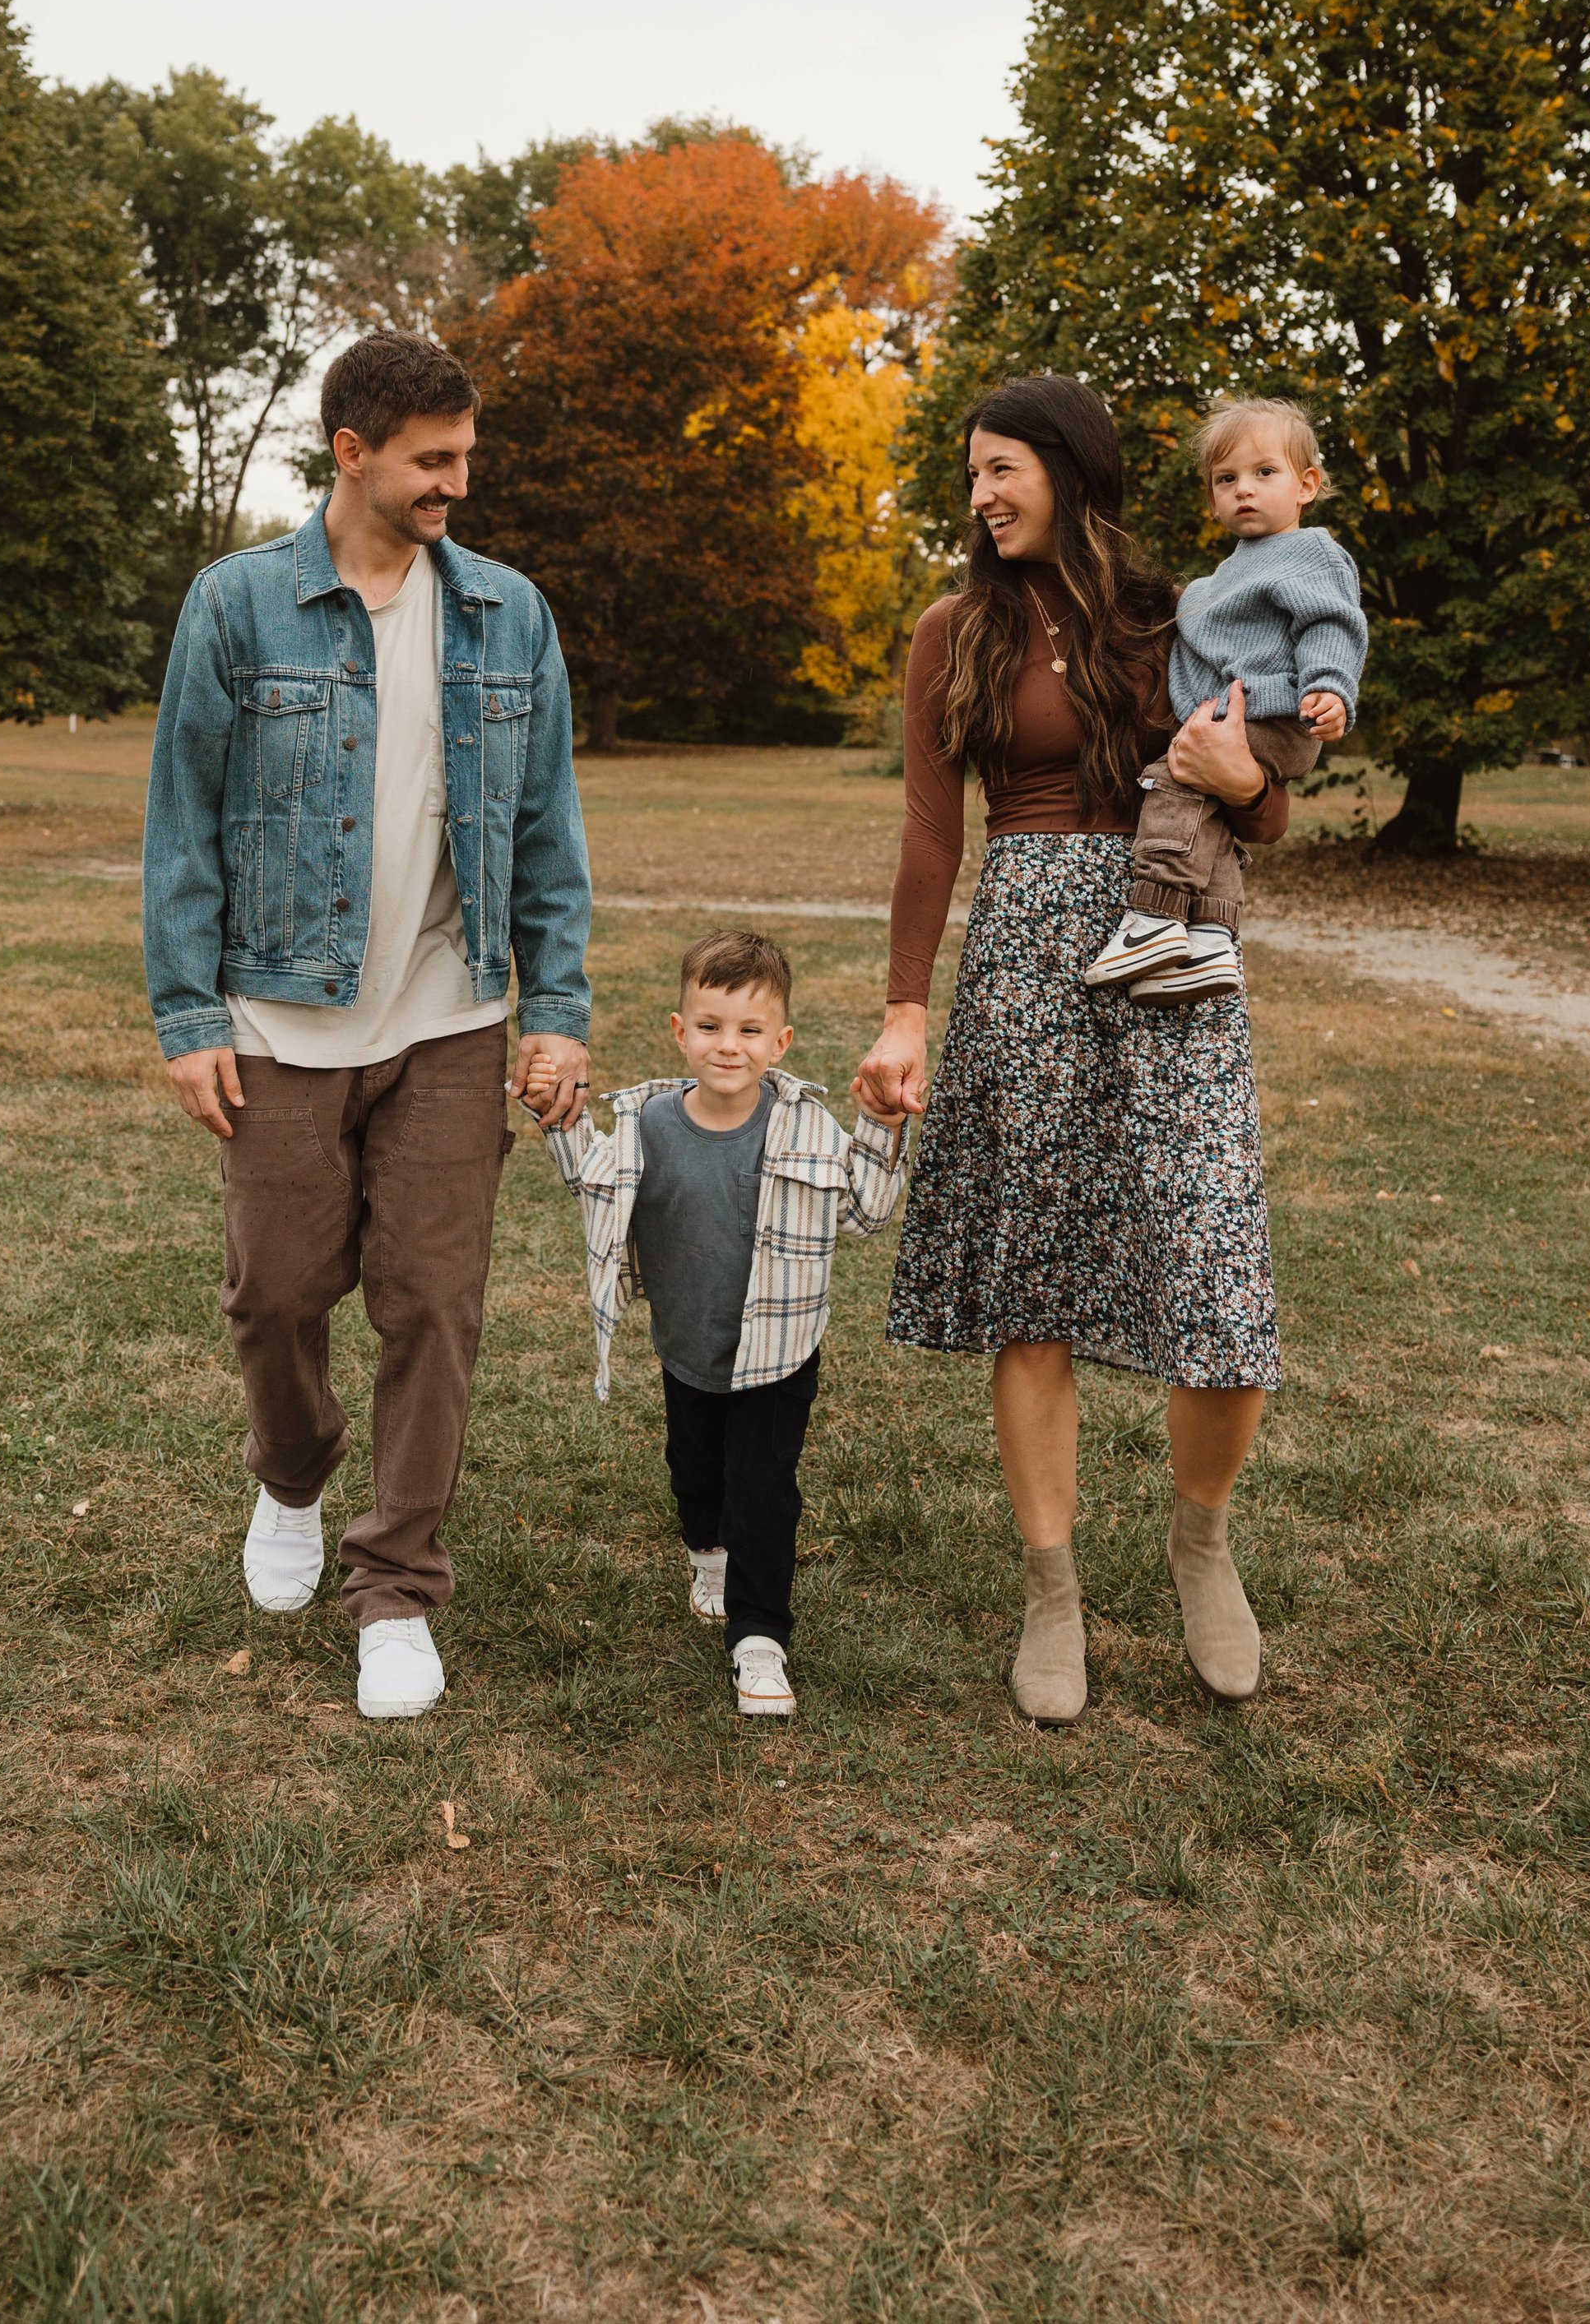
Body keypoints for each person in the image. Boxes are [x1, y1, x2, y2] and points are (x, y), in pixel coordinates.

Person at [142, 330, 592, 1722]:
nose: (460, 481)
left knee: (432, 1305)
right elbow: (183, 826)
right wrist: (185, 1010)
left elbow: (546, 827)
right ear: (353, 453)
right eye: (434, 460)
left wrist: (557, 1005)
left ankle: (396, 1584)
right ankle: (293, 1472)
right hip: (278, 1014)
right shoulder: (237, 607)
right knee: (275, 1293)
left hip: (452, 1017)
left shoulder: (507, 615)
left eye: (467, 456)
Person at [852, 374, 1288, 1729]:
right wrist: (906, 1007)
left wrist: (1247, 782)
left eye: (1003, 469)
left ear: (1070, 470)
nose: (981, 495)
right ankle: (1054, 1591)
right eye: (971, 475)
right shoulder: (952, 630)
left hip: (1168, 954)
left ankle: (1200, 1547)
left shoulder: (1186, 612)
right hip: (1026, 962)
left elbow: (1263, 815)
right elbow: (934, 833)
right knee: (1031, 1286)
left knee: (1218, 1284)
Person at [525, 931, 906, 1722]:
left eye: (749, 1031)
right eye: (710, 1026)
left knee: (764, 1489)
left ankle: (759, 1636)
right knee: (698, 1475)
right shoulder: (651, 1124)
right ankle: (708, 1558)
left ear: (781, 1042)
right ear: (678, 1030)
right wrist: (559, 1119)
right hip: (688, 1347)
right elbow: (592, 1187)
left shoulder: (805, 1127)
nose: (728, 1046)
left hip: (779, 1351)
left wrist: (879, 1124)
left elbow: (866, 1212)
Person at [1084, 398, 1366, 1002]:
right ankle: (1212, 936)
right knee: (1209, 808)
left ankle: (1155, 917)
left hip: (1274, 715)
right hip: (1241, 717)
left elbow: (1332, 623)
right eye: (1226, 479)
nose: (1245, 489)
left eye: (1266, 473)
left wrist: (1329, 686)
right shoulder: (1220, 580)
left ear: (1306, 485)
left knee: (1176, 779)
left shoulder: (1310, 552)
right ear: (1212, 499)